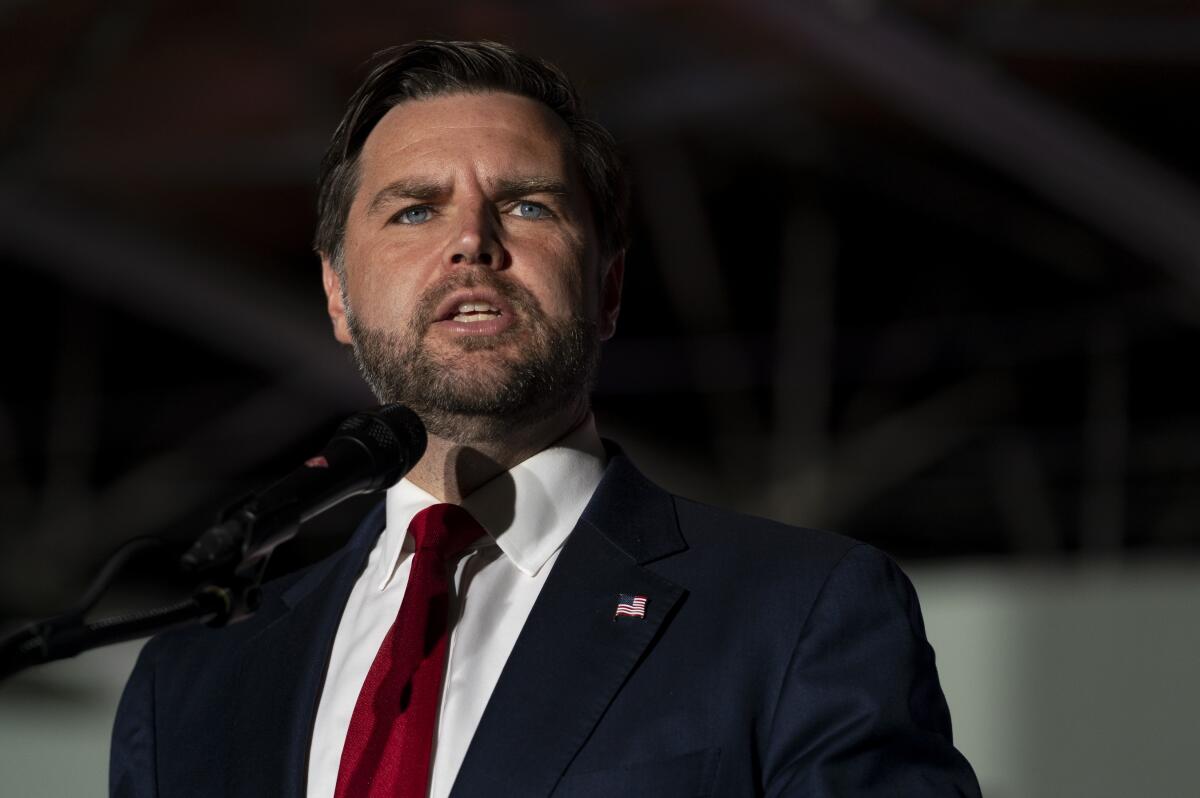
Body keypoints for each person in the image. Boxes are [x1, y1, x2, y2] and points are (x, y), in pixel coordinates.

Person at [110, 40, 981, 797]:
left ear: (606, 287)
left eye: (528, 204)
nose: (472, 242)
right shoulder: (192, 679)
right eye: (415, 209)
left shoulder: (800, 612)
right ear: (338, 294)